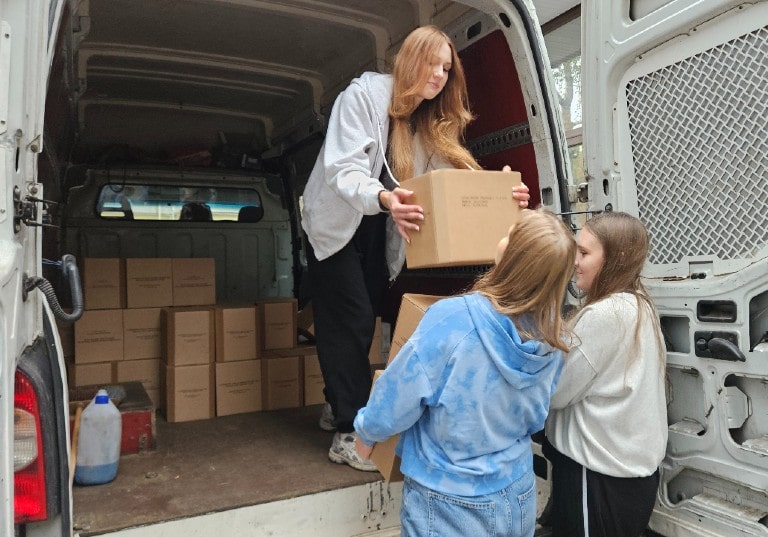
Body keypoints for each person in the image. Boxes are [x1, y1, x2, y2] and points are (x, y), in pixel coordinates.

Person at [300, 24, 530, 470]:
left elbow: (455, 183)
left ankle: (336, 403)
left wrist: (505, 193)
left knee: (362, 313)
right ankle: (349, 430)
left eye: (448, 68)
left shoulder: (428, 120)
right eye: (434, 63)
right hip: (336, 219)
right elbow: (342, 169)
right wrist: (385, 198)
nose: (441, 74)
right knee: (349, 317)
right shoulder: (363, 98)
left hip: (381, 222)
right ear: (411, 59)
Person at [353, 208, 576, 536]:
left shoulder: (453, 318)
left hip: (448, 500)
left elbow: (399, 392)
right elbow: (539, 411)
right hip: (517, 490)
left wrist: (367, 433)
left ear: (511, 258)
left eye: (510, 233)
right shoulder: (555, 335)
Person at [542, 211, 668, 537]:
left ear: (616, 258)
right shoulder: (640, 305)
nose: (575, 262)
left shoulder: (605, 313)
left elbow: (555, 393)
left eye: (584, 253)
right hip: (628, 478)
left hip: (597, 475)